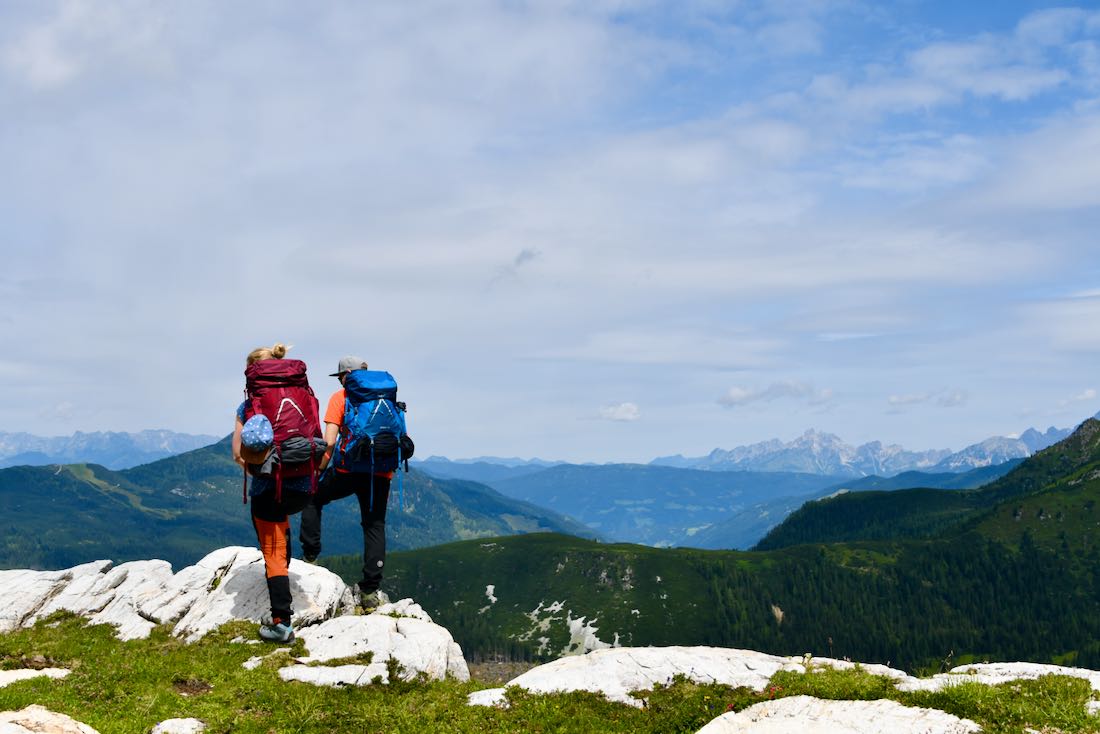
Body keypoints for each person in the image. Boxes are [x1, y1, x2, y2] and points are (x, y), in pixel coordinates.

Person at [231, 342, 321, 643]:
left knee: (272, 551)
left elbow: (238, 454)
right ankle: (283, 581)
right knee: (281, 532)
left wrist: (260, 469)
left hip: (269, 487)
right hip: (305, 484)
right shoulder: (303, 393)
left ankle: (281, 622)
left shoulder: (249, 406)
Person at [299, 356, 393, 612]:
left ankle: (310, 557)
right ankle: (370, 592)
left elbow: (329, 442)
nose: (341, 380)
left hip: (347, 470)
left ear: (346, 375)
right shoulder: (385, 396)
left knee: (313, 497)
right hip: (380, 473)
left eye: (340, 376)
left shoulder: (340, 397)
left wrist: (317, 472)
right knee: (374, 525)